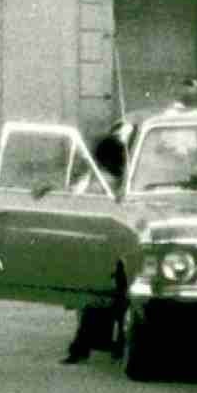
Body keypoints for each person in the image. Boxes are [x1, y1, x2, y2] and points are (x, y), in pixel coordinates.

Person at [61, 131, 127, 365]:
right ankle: (112, 344)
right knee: (114, 301)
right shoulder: (118, 180)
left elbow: (73, 199)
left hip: (97, 246)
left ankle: (81, 348)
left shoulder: (100, 180)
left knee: (94, 300)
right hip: (112, 247)